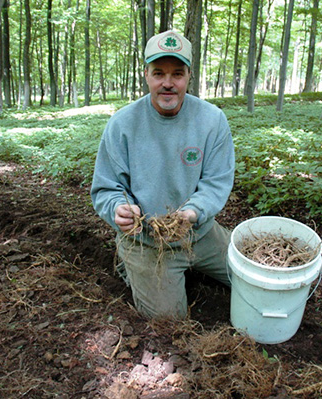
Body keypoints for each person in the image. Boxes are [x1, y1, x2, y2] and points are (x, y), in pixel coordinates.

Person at [90, 30, 235, 319]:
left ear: (189, 76)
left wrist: (193, 212)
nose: (167, 83)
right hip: (146, 241)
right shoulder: (122, 124)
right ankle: (128, 261)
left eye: (177, 74)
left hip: (200, 233)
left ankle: (193, 266)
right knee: (170, 321)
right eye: (158, 73)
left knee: (261, 278)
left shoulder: (212, 120)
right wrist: (119, 208)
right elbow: (107, 187)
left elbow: (216, 181)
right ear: (146, 75)